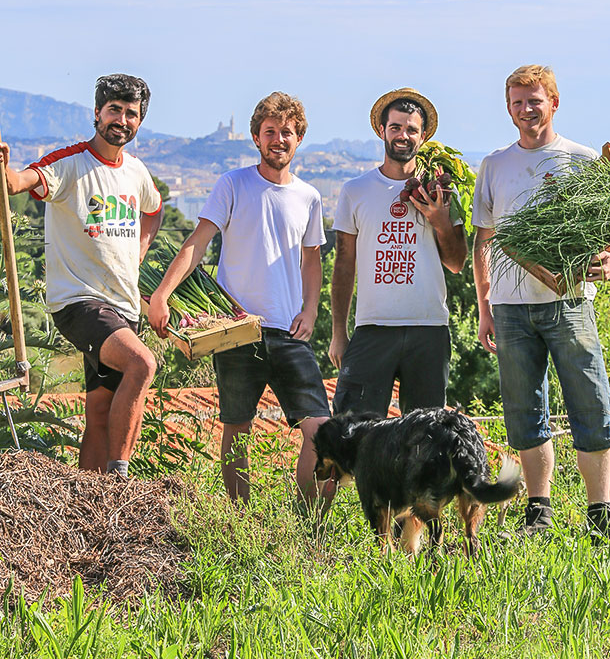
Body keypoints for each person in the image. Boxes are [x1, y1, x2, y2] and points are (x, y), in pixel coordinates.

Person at [148, 92, 331, 505]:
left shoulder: (310, 197)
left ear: (298, 138)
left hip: (288, 330)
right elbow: (197, 244)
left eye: (287, 132)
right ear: (255, 137)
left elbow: (313, 260)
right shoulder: (233, 183)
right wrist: (162, 294)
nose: (278, 139)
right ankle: (239, 521)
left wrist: (311, 309)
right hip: (234, 331)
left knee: (322, 431)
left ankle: (311, 530)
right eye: (270, 132)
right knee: (237, 427)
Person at [0, 74, 163, 477]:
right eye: (114, 110)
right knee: (142, 363)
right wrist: (5, 172)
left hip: (123, 305)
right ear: (96, 112)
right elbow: (20, 182)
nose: (121, 120)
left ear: (139, 121)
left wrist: (138, 255)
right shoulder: (71, 164)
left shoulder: (137, 173)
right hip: (79, 302)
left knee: (101, 410)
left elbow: (154, 209)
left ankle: (88, 497)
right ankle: (120, 480)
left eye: (131, 113)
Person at [472, 64, 610, 539]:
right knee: (524, 412)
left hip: (570, 303)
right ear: (508, 108)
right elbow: (484, 242)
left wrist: (606, 261)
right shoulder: (494, 165)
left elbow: (603, 237)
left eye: (535, 100)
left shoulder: (584, 160)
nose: (526, 110)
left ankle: (600, 515)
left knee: (591, 406)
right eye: (517, 102)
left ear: (553, 103)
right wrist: (485, 307)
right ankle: (540, 514)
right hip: (510, 309)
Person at [328, 87, 467, 417]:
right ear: (382, 131)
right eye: (396, 128)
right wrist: (338, 332)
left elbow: (457, 262)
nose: (403, 136)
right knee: (352, 427)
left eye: (411, 130)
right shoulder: (355, 191)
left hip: (429, 329)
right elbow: (344, 264)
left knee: (425, 437)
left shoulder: (442, 190)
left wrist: (439, 220)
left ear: (422, 137)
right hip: (372, 327)